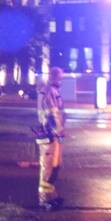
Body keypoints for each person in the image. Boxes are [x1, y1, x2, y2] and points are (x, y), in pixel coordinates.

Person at [36, 67, 66, 210]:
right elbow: (51, 115)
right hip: (49, 135)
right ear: (55, 77)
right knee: (47, 168)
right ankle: (43, 200)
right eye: (61, 77)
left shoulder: (52, 90)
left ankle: (51, 195)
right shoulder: (49, 91)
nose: (62, 79)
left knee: (54, 168)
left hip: (53, 135)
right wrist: (59, 131)